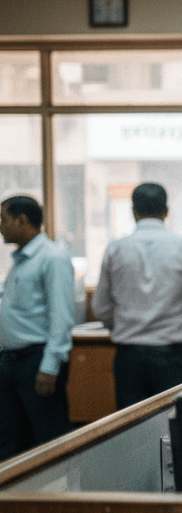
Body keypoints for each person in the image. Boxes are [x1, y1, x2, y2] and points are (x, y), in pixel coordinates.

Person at [92, 183, 182, 409]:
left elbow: (101, 307)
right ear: (166, 211)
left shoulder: (115, 250)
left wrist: (121, 326)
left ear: (133, 211)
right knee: (174, 427)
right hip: (172, 357)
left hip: (129, 356)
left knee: (131, 429)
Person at [0, 195, 75, 459]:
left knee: (48, 442)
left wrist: (49, 367)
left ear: (22, 220)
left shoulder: (52, 257)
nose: (0, 226)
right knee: (11, 441)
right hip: (11, 362)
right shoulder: (21, 260)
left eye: (3, 219)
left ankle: (57, 500)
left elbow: (62, 317)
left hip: (37, 361)